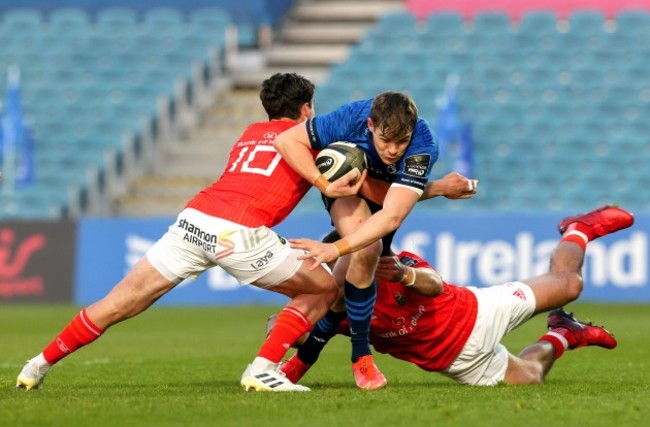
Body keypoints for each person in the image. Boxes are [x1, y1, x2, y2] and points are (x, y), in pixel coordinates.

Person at [15, 72, 366, 393]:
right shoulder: (311, 142)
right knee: (322, 288)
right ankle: (263, 368)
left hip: (193, 220)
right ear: (307, 109)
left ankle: (37, 364)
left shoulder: (249, 134)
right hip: (238, 230)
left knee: (118, 302)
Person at [271, 205, 634, 386]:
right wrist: (288, 330)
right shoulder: (338, 304)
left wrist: (405, 274)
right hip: (455, 362)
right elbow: (290, 329)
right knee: (531, 377)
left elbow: (436, 284)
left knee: (570, 284)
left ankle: (578, 230)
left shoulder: (390, 265)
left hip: (476, 312)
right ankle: (564, 332)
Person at [273, 91, 443, 390]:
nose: (392, 151)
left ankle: (304, 357)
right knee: (368, 249)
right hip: (347, 195)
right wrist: (324, 184)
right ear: (369, 125)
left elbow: (391, 214)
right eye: (384, 141)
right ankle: (361, 357)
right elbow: (286, 141)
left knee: (342, 290)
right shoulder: (351, 117)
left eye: (400, 143)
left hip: (386, 203)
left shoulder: (423, 145)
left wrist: (333, 248)